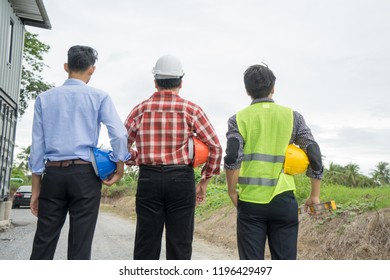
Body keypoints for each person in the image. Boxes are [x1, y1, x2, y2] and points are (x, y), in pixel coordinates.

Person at [28, 45, 130, 260]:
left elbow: (37, 146)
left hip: (53, 175)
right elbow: (119, 135)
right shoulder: (99, 97)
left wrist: (36, 189)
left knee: (43, 241)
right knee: (80, 244)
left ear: (66, 67)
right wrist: (119, 168)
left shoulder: (44, 99)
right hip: (85, 176)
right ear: (91, 69)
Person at [124, 54, 223, 260]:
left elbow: (120, 146)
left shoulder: (140, 109)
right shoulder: (192, 110)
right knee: (180, 244)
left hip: (148, 178)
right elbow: (215, 146)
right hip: (181, 179)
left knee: (146, 243)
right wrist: (205, 180)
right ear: (181, 82)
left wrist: (136, 158)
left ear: (155, 82)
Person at [224, 64, 323, 260]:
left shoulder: (238, 119)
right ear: (273, 88)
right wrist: (315, 195)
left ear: (247, 91)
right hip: (283, 200)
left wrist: (232, 190)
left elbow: (232, 156)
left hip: (250, 203)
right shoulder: (292, 117)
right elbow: (313, 152)